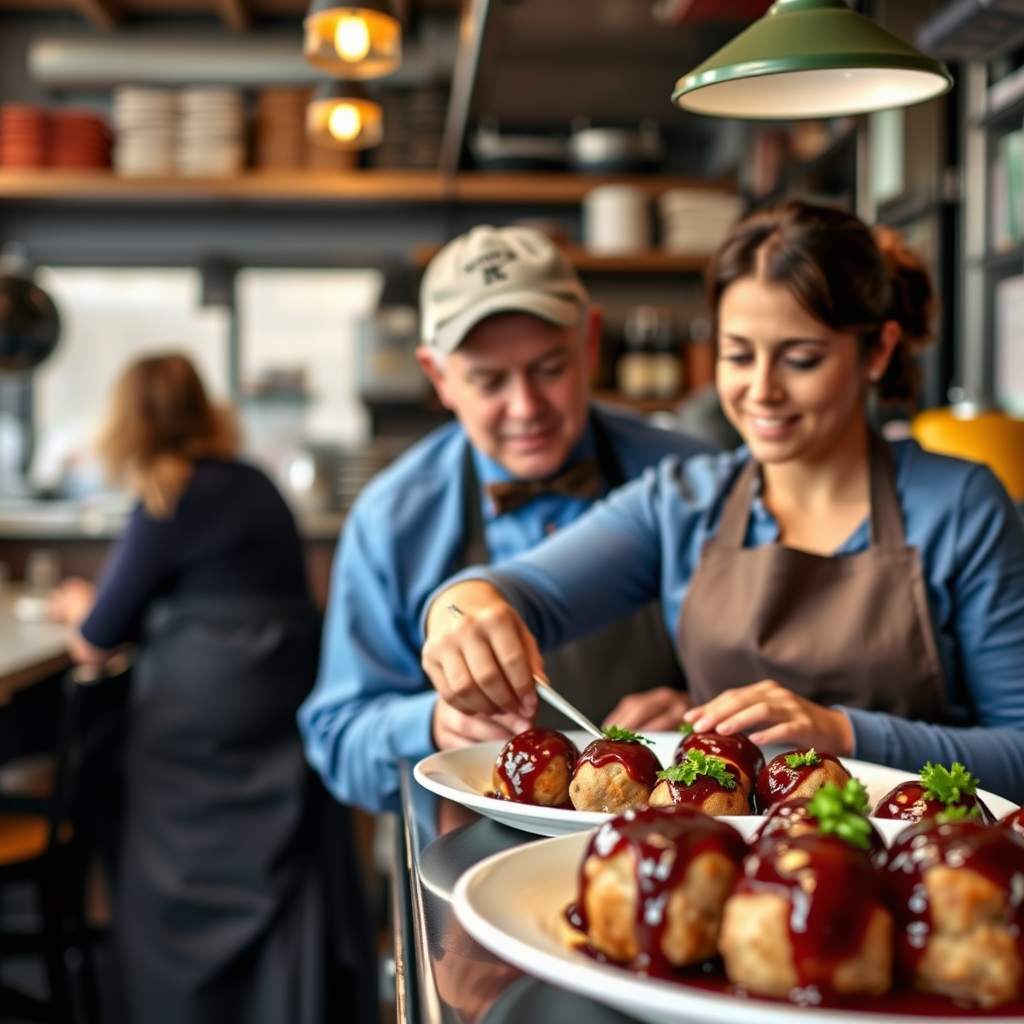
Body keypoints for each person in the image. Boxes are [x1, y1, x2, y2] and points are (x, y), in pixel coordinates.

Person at [421, 201, 1024, 804]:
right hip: (714, 864)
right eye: (738, 355)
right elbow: (518, 590)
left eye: (801, 358)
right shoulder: (682, 502)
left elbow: (1019, 751)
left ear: (877, 351)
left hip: (913, 869)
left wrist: (843, 733)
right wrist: (461, 610)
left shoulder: (961, 506)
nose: (761, 390)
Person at [298, 225, 714, 813]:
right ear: (439, 376)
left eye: (549, 368)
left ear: (590, 343)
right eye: (489, 380)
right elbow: (336, 737)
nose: (525, 407)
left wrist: (697, 715)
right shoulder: (391, 518)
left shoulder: (686, 481)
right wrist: (432, 724)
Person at [48, 355, 371, 1024]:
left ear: (131, 421)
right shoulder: (256, 482)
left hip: (195, 732)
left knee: (129, 812)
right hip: (279, 723)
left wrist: (81, 604)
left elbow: (98, 638)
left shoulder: (168, 491)